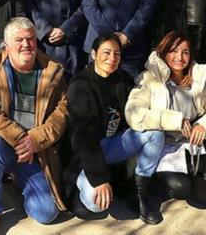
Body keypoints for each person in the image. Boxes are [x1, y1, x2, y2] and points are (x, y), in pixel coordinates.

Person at [0, 17, 69, 235]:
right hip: (3, 144)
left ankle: (16, 180)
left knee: (46, 213)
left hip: (35, 151)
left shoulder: (53, 72)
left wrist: (35, 140)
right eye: (19, 40)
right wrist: (19, 138)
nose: (26, 45)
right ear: (7, 45)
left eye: (31, 39)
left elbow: (61, 113)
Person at [127, 31, 206, 216]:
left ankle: (205, 182)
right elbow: (134, 115)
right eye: (174, 51)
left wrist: (203, 126)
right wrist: (174, 120)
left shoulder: (198, 79)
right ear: (164, 53)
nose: (179, 57)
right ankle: (158, 185)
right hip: (162, 143)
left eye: (185, 52)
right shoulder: (149, 78)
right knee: (181, 187)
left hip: (189, 141)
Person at [65, 33, 165, 224]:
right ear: (94, 54)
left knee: (155, 135)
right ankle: (81, 185)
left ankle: (140, 191)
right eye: (106, 53)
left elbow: (137, 111)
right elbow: (82, 138)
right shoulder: (80, 86)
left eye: (117, 54)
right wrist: (99, 179)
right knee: (96, 205)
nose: (112, 59)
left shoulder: (123, 79)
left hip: (114, 144)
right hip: (88, 151)